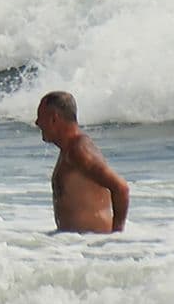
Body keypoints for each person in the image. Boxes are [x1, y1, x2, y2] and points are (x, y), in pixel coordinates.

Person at [35, 91, 130, 234]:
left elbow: (121, 188)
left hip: (91, 244)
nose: (37, 123)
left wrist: (116, 237)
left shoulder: (79, 150)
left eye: (40, 117)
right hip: (77, 246)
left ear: (54, 119)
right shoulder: (69, 150)